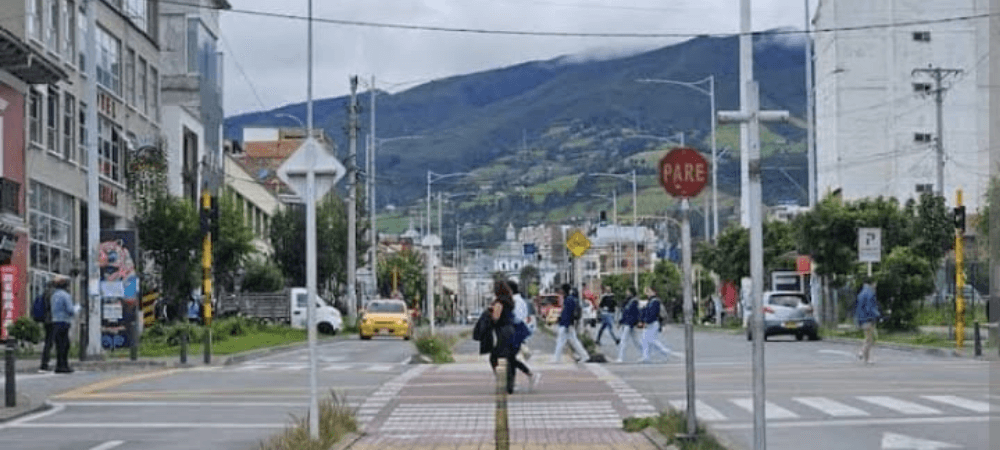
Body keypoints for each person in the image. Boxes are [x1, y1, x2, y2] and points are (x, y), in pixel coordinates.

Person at [489, 281, 539, 394]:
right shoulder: (515, 300)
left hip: (510, 332)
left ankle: (510, 381)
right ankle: (513, 383)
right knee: (510, 358)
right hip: (515, 331)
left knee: (502, 358)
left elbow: (509, 318)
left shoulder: (511, 301)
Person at [550, 283, 589, 363]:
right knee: (573, 341)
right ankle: (585, 356)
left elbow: (569, 314)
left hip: (566, 325)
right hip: (566, 324)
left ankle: (556, 359)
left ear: (564, 290)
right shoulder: (568, 299)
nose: (560, 291)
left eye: (561, 289)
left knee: (561, 341)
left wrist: (567, 325)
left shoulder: (569, 300)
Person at [50, 276, 79, 374]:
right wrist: (76, 309)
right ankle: (64, 365)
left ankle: (59, 365)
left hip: (55, 321)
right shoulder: (65, 295)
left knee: (59, 345)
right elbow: (70, 310)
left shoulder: (54, 295)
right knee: (65, 345)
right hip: (64, 321)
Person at [639, 286, 673, 363]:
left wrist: (646, 321)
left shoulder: (655, 301)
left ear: (654, 292)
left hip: (653, 323)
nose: (647, 293)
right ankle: (646, 357)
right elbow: (646, 312)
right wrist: (643, 320)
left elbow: (653, 313)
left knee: (652, 341)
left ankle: (666, 352)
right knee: (644, 340)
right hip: (649, 323)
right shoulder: (650, 301)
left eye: (649, 291)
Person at [855, 277, 882, 364]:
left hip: (861, 318)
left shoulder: (861, 293)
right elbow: (870, 307)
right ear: (872, 283)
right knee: (871, 339)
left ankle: (864, 355)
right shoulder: (870, 293)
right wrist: (878, 315)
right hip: (868, 319)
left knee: (868, 338)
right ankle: (864, 354)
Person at [616, 286, 643, 363]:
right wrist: (621, 322)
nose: (626, 292)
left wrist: (637, 321)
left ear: (631, 292)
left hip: (629, 323)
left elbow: (635, 313)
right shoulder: (628, 301)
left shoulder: (633, 301)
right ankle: (645, 354)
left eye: (627, 291)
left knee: (624, 340)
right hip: (628, 323)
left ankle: (621, 358)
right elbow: (625, 313)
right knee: (636, 341)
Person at [509, 281, 534, 361]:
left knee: (513, 354)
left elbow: (518, 317)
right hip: (519, 327)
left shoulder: (516, 301)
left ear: (510, 290)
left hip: (517, 328)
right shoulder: (519, 300)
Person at [37, 280, 56, 372]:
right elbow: (52, 307)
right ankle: (45, 363)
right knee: (50, 342)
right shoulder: (52, 294)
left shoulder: (45, 293)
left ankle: (45, 362)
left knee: (48, 341)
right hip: (51, 320)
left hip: (46, 320)